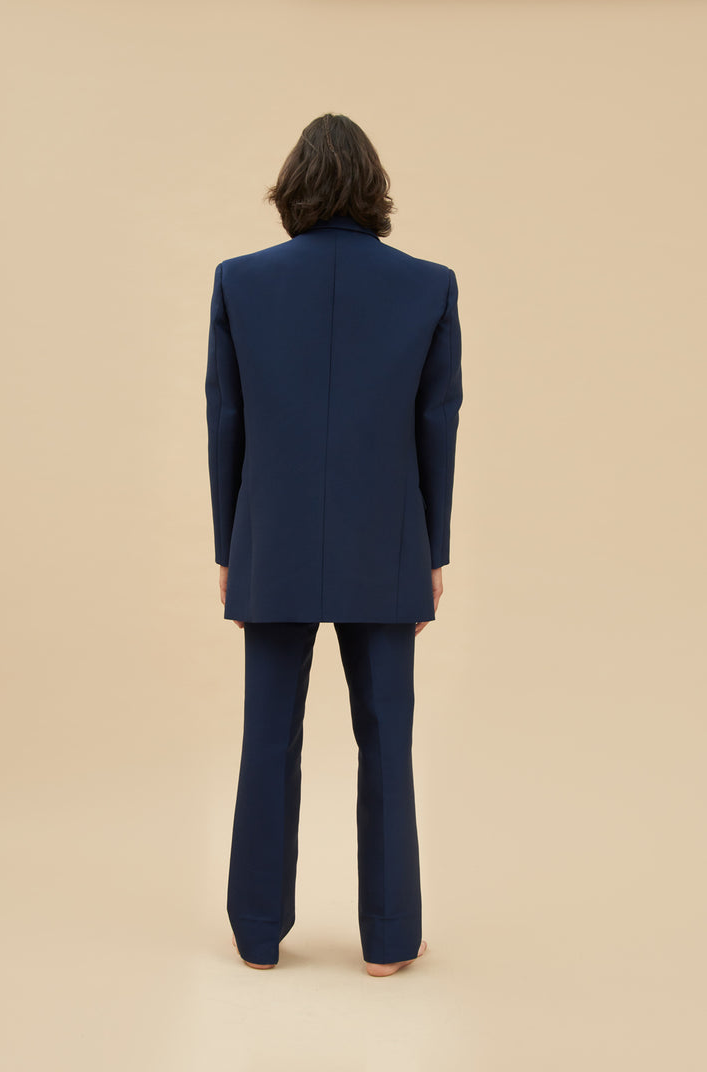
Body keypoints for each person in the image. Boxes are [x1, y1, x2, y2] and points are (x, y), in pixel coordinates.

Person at [205, 113, 463, 976]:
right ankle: (389, 941)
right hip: (387, 544)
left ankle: (256, 934)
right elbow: (437, 426)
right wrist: (432, 553)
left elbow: (226, 421)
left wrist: (230, 546)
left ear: (293, 187)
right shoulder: (427, 286)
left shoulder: (240, 281)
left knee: (266, 736)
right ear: (374, 188)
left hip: (271, 540)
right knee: (387, 739)